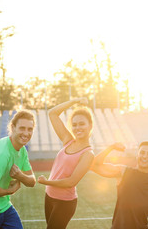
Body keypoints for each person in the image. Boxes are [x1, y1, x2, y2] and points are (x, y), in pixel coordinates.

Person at [37, 98, 94, 229]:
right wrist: (74, 101)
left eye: (81, 124)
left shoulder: (88, 154)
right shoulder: (68, 140)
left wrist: (47, 182)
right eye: (74, 125)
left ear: (90, 125)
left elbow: (71, 182)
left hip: (65, 202)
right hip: (49, 196)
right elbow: (52, 113)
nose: (77, 128)